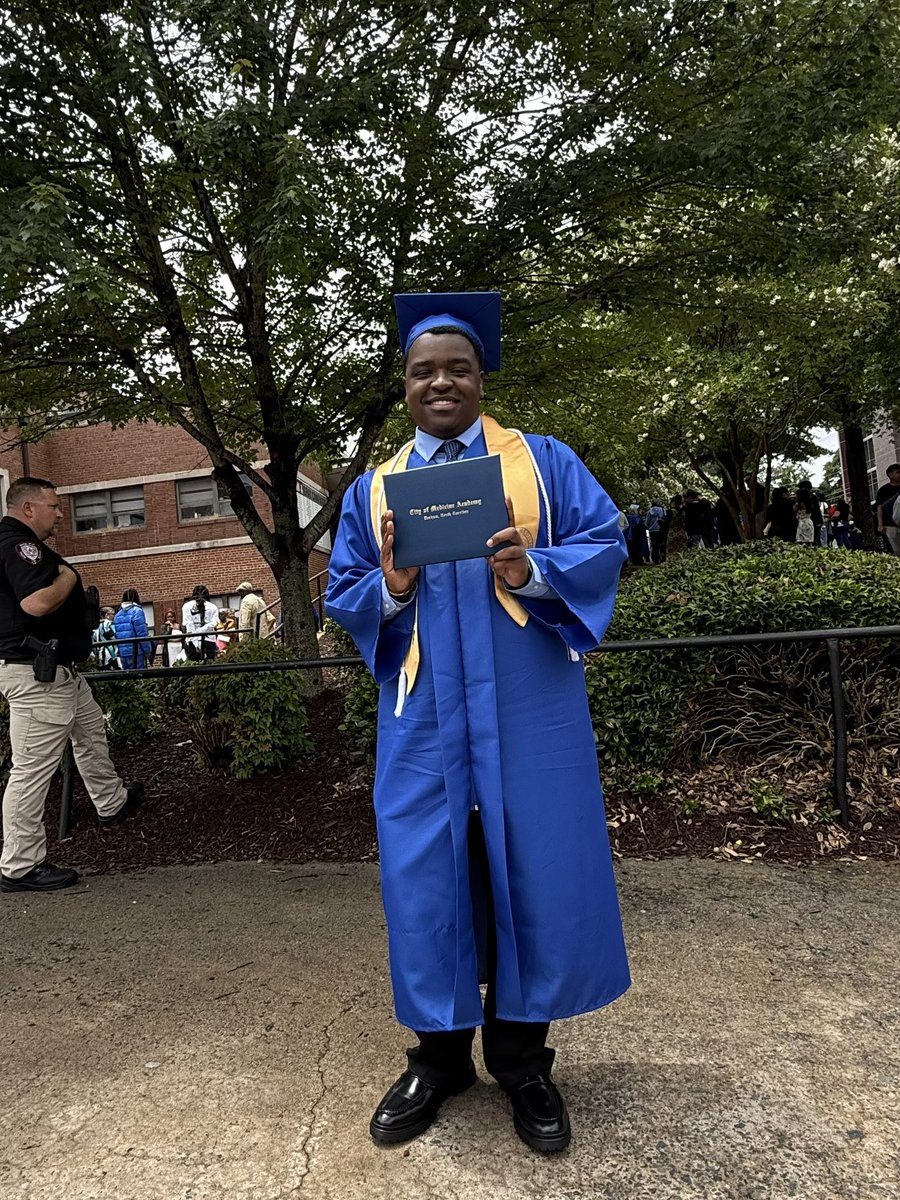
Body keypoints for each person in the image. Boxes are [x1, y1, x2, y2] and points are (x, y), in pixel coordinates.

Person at [326, 291, 629, 1155]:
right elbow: (345, 589)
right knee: (431, 880)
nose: (441, 382)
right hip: (424, 719)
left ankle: (526, 1063)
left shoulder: (542, 462)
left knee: (528, 872)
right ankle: (439, 1058)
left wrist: (535, 567)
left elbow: (604, 542)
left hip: (528, 715)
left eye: (457, 366)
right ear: (406, 385)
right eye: (424, 370)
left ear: (481, 375)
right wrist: (391, 586)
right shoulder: (376, 487)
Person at [0, 477, 144, 893]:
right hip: (36, 673)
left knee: (90, 729)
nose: (61, 514)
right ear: (28, 508)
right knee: (30, 771)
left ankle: (111, 801)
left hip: (57, 670)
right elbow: (37, 602)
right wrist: (67, 576)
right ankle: (21, 866)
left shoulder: (18, 543)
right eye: (54, 506)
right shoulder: (16, 545)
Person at [113, 587, 153, 669]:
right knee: (138, 676)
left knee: (128, 678)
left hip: (123, 652)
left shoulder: (118, 614)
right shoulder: (137, 611)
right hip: (136, 651)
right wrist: (147, 651)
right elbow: (141, 633)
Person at [182, 585, 219, 660]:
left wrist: (200, 631)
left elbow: (213, 623)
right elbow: (189, 624)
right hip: (193, 639)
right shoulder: (187, 606)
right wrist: (196, 643)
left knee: (209, 663)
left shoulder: (212, 607)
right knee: (196, 664)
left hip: (208, 639)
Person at [874, 463, 900, 555]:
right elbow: (879, 507)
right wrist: (880, 524)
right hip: (889, 524)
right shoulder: (883, 490)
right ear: (890, 475)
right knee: (895, 549)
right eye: (897, 472)